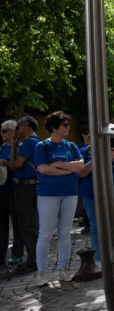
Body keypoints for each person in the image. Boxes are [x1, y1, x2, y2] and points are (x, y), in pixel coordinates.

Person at [34, 111, 84, 284]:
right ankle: (41, 273)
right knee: (46, 233)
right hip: (48, 194)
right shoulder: (42, 146)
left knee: (65, 233)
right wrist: (68, 169)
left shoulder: (71, 146)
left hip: (70, 193)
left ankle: (63, 270)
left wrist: (58, 165)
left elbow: (80, 166)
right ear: (54, 127)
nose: (68, 128)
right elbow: (43, 169)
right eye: (65, 125)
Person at [79, 139, 114, 265]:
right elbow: (82, 172)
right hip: (91, 194)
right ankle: (98, 259)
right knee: (96, 225)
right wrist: (95, 158)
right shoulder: (85, 151)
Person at [8, 115, 41, 276]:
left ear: (26, 125)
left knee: (28, 224)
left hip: (27, 188)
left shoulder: (30, 142)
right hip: (30, 186)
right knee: (28, 223)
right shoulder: (35, 141)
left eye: (18, 127)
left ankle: (34, 260)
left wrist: (14, 145)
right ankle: (34, 258)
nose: (17, 131)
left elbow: (16, 165)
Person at [0, 120, 24, 266]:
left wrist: (7, 164)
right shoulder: (2, 147)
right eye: (1, 130)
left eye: (4, 130)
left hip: (15, 190)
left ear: (13, 131)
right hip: (2, 190)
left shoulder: (21, 147)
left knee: (17, 224)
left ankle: (17, 253)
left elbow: (20, 166)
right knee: (2, 225)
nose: (1, 133)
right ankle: (1, 255)